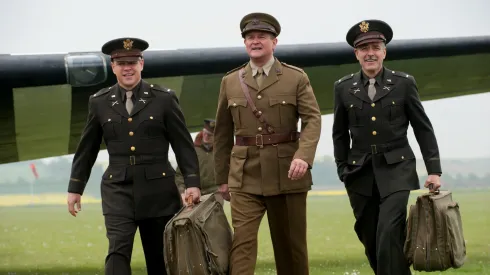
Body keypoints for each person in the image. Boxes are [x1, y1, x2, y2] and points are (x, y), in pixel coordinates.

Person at [66, 37, 201, 275]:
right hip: (117, 189)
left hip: (158, 190)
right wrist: (75, 187)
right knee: (117, 249)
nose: (127, 67)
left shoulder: (164, 99)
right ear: (113, 67)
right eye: (121, 62)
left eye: (132, 61)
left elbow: (183, 144)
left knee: (159, 256)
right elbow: (87, 148)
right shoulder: (99, 102)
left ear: (142, 64)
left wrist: (192, 183)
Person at [213, 12, 322, 275]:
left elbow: (312, 120)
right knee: (242, 244)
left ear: (275, 42)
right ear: (245, 43)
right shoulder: (230, 81)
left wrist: (303, 157)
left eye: (262, 36)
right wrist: (222, 178)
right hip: (244, 174)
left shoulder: (296, 77)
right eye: (250, 37)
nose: (255, 41)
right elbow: (222, 134)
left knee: (290, 248)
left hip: (287, 172)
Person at [332, 19, 442, 275]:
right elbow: (339, 133)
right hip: (359, 173)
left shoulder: (403, 83)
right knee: (369, 236)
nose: (370, 52)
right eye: (364, 48)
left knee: (389, 231)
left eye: (375, 46)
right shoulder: (343, 87)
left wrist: (434, 170)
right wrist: (342, 169)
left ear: (384, 51)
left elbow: (423, 128)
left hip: (397, 169)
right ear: (356, 53)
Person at [175, 119, 222, 204]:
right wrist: (182, 191)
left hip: (215, 194)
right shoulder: (191, 151)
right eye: (205, 133)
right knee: (190, 215)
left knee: (216, 216)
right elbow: (179, 175)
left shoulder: (221, 152)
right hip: (193, 192)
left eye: (210, 135)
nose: (206, 136)